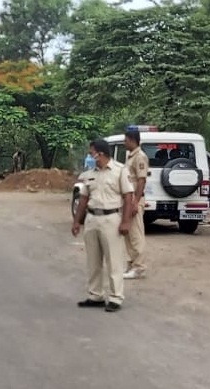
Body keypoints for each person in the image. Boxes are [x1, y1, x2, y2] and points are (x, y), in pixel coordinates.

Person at [71, 139, 135, 312]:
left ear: (101, 153)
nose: (90, 156)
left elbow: (128, 197)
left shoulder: (119, 171)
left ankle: (115, 297)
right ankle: (95, 295)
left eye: (92, 153)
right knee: (93, 260)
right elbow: (83, 198)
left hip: (111, 218)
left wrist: (126, 221)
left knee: (114, 260)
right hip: (92, 218)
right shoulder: (90, 174)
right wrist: (77, 221)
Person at [123, 130, 149, 279]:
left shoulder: (140, 157)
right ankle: (132, 264)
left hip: (134, 199)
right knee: (128, 234)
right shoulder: (130, 156)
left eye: (126, 140)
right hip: (127, 199)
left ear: (132, 140)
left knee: (135, 234)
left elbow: (141, 180)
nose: (124, 143)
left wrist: (135, 202)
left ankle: (139, 267)